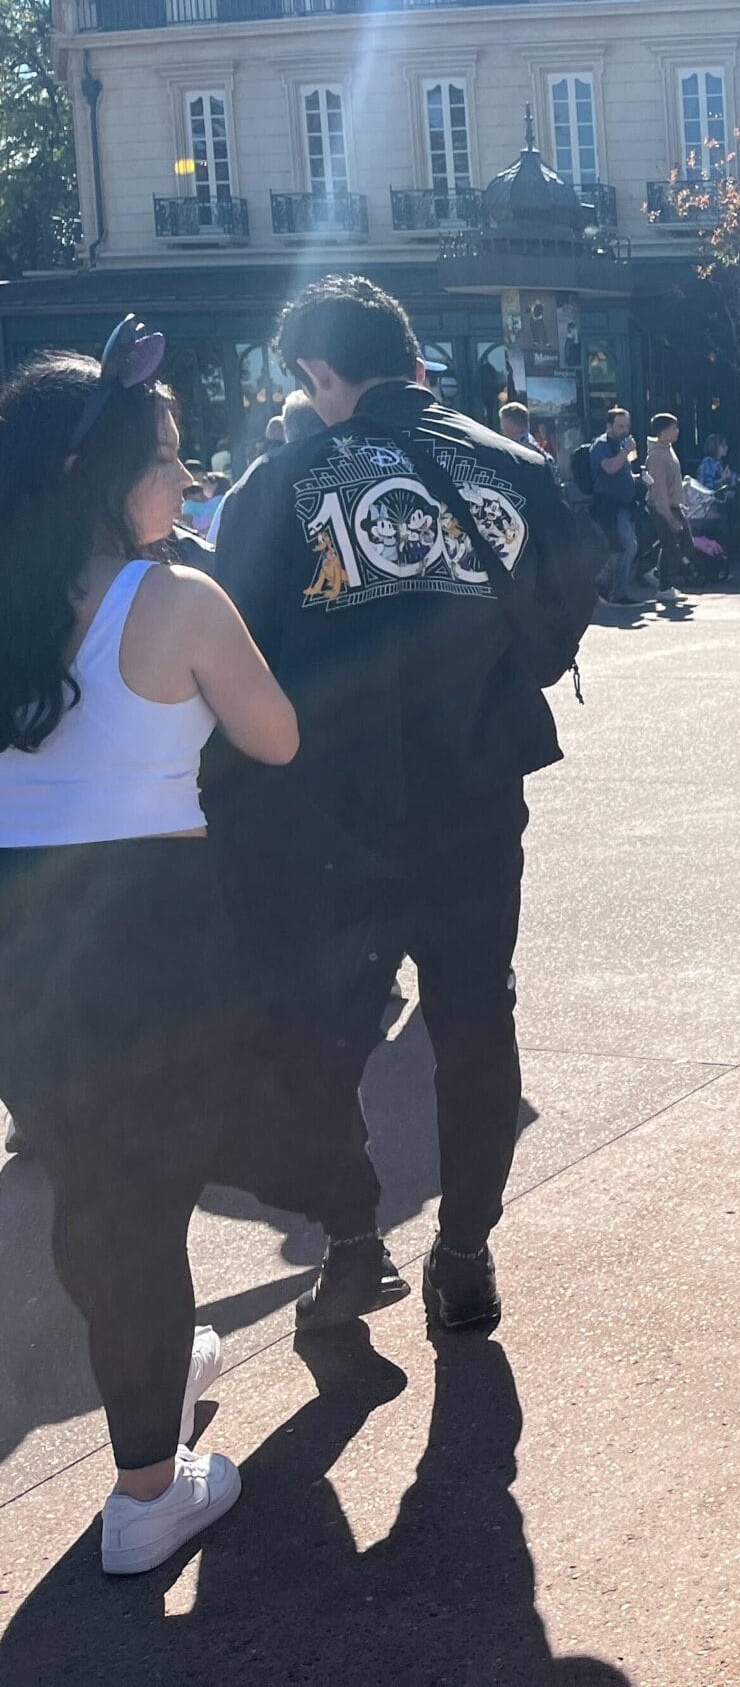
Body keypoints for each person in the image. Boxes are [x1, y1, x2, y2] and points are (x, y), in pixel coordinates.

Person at [207, 275, 601, 1331]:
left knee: (326, 1031)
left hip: (329, 811)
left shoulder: (281, 480)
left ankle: (350, 1236)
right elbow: (569, 607)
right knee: (475, 1017)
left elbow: (228, 644)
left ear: (318, 375)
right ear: (410, 352)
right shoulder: (515, 465)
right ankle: (465, 1249)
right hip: (474, 791)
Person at [0, 325, 301, 1574]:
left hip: (19, 924)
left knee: (89, 1182)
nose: (187, 483)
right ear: (107, 475)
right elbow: (276, 738)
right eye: (170, 460)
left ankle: (155, 1359)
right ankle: (142, 1493)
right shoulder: (176, 597)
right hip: (151, 922)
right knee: (146, 1201)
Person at [585, 406, 645, 607]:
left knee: (621, 548)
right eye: (620, 426)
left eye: (627, 425)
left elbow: (623, 471)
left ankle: (604, 587)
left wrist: (639, 478)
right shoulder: (601, 444)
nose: (625, 430)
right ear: (609, 426)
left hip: (625, 505)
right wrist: (626, 451)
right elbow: (610, 468)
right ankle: (612, 591)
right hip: (609, 505)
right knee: (626, 546)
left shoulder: (622, 446)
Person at [643, 411, 692, 600]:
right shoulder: (656, 456)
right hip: (661, 506)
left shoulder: (668, 449)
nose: (677, 431)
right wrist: (669, 516)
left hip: (673, 504)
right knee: (670, 545)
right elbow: (659, 491)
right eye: (673, 428)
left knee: (685, 544)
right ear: (663, 432)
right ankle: (664, 587)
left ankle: (654, 570)